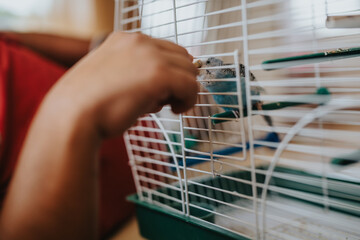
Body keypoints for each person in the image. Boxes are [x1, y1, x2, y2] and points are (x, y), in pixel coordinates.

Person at [0, 31, 199, 239]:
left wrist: (102, 48)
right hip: (129, 226)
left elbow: (10, 40)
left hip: (160, 166)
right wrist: (69, 107)